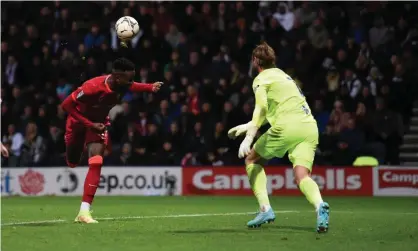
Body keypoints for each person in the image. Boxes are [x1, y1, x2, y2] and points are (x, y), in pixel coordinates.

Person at [228, 42, 329, 233]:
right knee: (302, 176)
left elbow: (262, 108)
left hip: (287, 127)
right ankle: (320, 205)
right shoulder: (284, 76)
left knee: (251, 159)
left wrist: (250, 136)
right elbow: (274, 110)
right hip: (309, 127)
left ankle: (265, 209)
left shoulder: (261, 79)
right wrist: (250, 125)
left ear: (255, 61)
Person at [61, 58, 162, 223]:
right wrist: (89, 124)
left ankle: (84, 211)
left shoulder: (122, 84)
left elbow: (134, 85)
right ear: (117, 78)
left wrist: (150, 87)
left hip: (99, 124)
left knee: (96, 161)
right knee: (72, 161)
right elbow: (66, 105)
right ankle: (73, 154)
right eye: (128, 79)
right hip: (79, 123)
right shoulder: (92, 87)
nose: (131, 82)